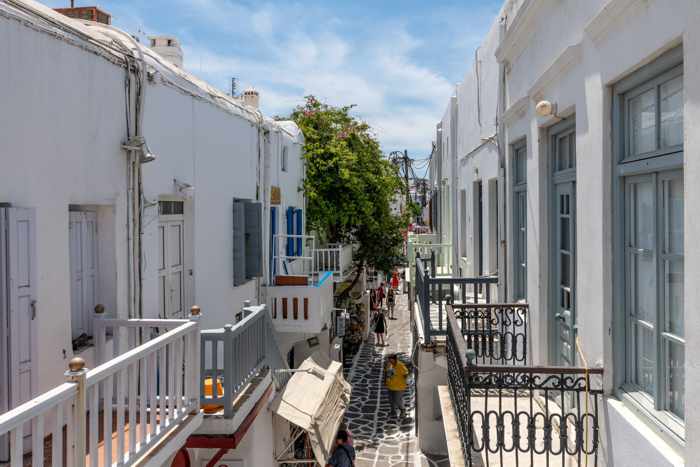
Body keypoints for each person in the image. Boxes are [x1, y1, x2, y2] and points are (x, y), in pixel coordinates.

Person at [385, 354, 408, 419]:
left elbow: (406, 373)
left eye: (391, 359)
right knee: (391, 400)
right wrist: (386, 381)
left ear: (395, 359)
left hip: (399, 387)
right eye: (389, 359)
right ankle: (393, 412)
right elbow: (387, 374)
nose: (389, 361)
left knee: (397, 400)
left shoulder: (400, 365)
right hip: (390, 386)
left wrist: (404, 379)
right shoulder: (389, 365)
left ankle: (403, 411)